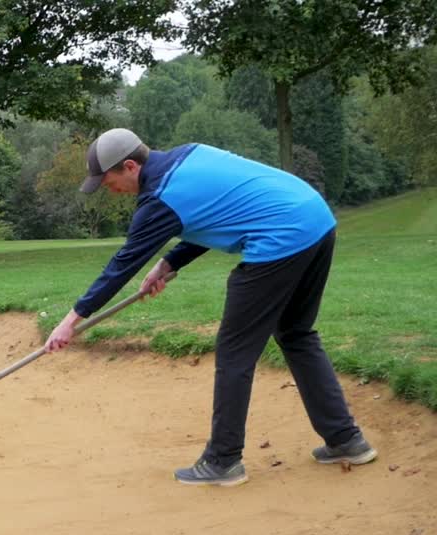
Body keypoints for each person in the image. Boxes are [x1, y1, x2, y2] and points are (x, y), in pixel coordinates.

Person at [45, 128, 376, 487]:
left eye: (108, 181)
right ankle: (346, 440)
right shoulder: (190, 154)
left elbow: (121, 266)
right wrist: (168, 264)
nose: (108, 190)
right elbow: (214, 214)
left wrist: (71, 321)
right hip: (315, 219)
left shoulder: (158, 198)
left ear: (129, 166)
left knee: (235, 351)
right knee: (296, 333)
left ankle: (223, 461)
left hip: (281, 238)